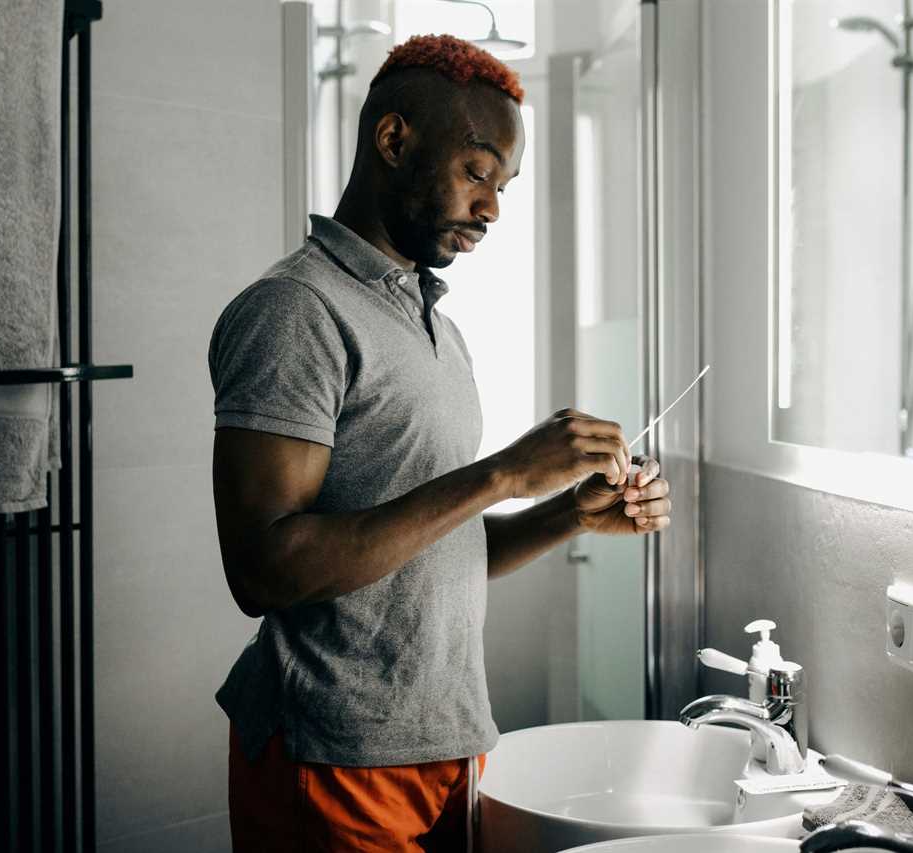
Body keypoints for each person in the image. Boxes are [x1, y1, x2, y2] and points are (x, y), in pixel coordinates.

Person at [208, 34, 671, 853]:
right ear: (394, 140)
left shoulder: (436, 328)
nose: (492, 207)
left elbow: (429, 554)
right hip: (335, 756)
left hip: (446, 746)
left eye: (503, 184)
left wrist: (569, 514)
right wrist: (504, 472)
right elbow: (262, 569)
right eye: (478, 171)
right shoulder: (296, 312)